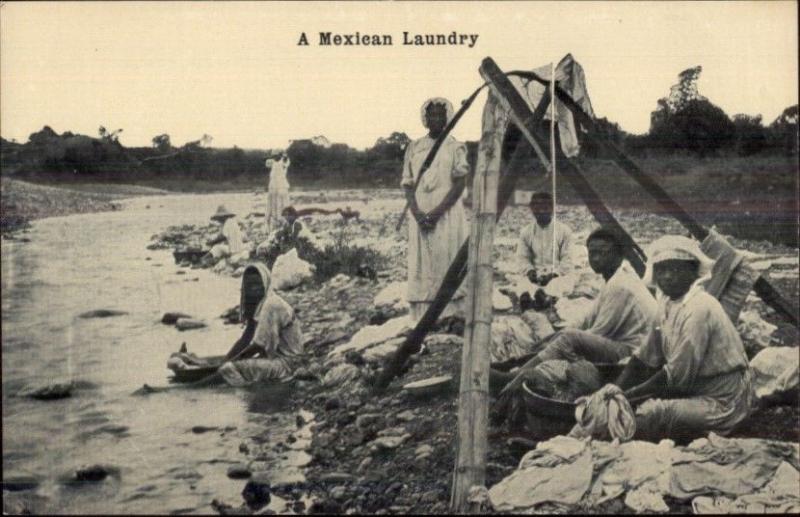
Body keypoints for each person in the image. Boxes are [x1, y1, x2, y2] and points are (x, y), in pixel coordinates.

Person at [613, 235, 755, 442]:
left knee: (650, 414)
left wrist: (628, 397)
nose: (668, 276)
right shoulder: (666, 303)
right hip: (693, 389)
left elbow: (676, 377)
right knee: (625, 399)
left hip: (723, 400)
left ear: (693, 272)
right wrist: (615, 388)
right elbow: (644, 355)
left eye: (676, 269)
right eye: (662, 270)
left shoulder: (699, 307)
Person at [492, 226, 658, 392]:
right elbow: (587, 319)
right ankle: (516, 363)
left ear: (619, 255)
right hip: (624, 346)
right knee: (564, 335)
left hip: (633, 353)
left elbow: (598, 332)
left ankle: (513, 375)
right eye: (592, 253)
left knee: (570, 339)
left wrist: (565, 339)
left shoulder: (621, 286)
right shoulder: (614, 278)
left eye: (603, 253)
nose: (596, 258)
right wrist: (558, 336)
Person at [162, 263, 305, 389]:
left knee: (228, 369)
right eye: (249, 286)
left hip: (288, 365)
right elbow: (246, 337)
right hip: (275, 359)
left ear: (266, 284)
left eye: (257, 285)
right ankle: (200, 372)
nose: (253, 290)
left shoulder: (271, 305)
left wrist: (230, 362)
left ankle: (194, 388)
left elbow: (258, 346)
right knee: (224, 362)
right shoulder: (261, 304)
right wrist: (227, 358)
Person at [402, 97, 470, 323]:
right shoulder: (414, 147)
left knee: (446, 256)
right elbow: (408, 184)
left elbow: (460, 183)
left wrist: (438, 212)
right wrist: (418, 213)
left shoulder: (454, 146)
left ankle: (450, 313)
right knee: (423, 261)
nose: (436, 119)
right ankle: (422, 316)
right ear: (425, 118)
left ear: (448, 117)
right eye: (432, 115)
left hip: (447, 215)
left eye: (441, 115)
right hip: (420, 215)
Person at [516, 192, 573, 285]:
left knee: (563, 285)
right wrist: (530, 272)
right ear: (531, 208)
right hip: (535, 275)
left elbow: (568, 260)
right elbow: (522, 258)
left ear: (552, 208)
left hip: (558, 276)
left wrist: (554, 274)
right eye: (537, 208)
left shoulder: (564, 231)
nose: (542, 212)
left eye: (545, 208)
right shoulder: (525, 232)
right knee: (520, 285)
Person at [266, 153, 291, 234]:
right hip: (276, 188)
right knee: (275, 206)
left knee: (280, 206)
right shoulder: (276, 164)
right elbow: (268, 163)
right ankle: (276, 224)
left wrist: (283, 157)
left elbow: (286, 162)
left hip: (280, 187)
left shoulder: (283, 164)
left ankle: (280, 223)